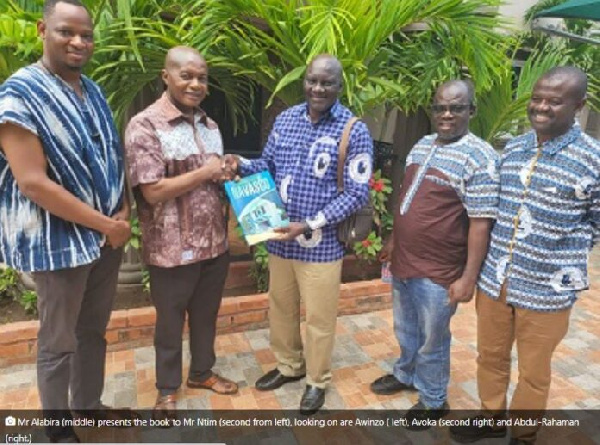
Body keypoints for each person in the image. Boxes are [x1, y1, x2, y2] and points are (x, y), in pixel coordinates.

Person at [0, 0, 131, 441]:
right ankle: (57, 431)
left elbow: (113, 153)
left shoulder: (90, 89)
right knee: (58, 343)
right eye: (66, 32)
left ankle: (88, 407)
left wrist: (124, 211)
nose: (79, 41)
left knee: (92, 330)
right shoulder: (19, 94)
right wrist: (105, 224)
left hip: (104, 239)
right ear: (42, 29)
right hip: (58, 244)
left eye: (86, 35)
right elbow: (33, 182)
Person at [449, 67, 600, 445]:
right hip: (496, 280)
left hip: (547, 292)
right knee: (490, 356)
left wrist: (563, 254)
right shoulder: (513, 148)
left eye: (554, 100)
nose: (542, 107)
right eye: (537, 98)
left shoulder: (593, 159)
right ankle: (491, 417)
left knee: (534, 370)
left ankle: (525, 433)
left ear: (579, 105)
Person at [226, 54, 373, 414]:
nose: (318, 88)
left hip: (321, 245)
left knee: (320, 318)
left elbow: (357, 193)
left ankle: (316, 381)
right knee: (281, 308)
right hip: (280, 236)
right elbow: (269, 166)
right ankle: (289, 366)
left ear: (339, 86)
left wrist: (309, 224)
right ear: (304, 81)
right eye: (312, 81)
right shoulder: (287, 119)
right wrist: (240, 164)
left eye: (327, 82)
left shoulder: (354, 130)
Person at [369, 80, 499, 427]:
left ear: (471, 111)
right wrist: (395, 240)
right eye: (440, 106)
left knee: (433, 339)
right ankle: (406, 374)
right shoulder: (422, 144)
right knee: (406, 328)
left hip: (440, 270)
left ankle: (433, 399)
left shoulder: (481, 157)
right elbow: (407, 198)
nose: (446, 114)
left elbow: (480, 224)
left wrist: (468, 277)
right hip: (406, 261)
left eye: (456, 108)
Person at [124, 46, 238, 423]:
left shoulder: (209, 125)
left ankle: (202, 372)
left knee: (206, 317)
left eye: (202, 77)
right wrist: (205, 172)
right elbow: (151, 190)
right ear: (166, 76)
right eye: (186, 76)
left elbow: (214, 177)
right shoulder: (146, 124)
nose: (195, 83)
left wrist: (227, 169)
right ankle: (167, 390)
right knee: (170, 322)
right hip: (171, 250)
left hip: (214, 245)